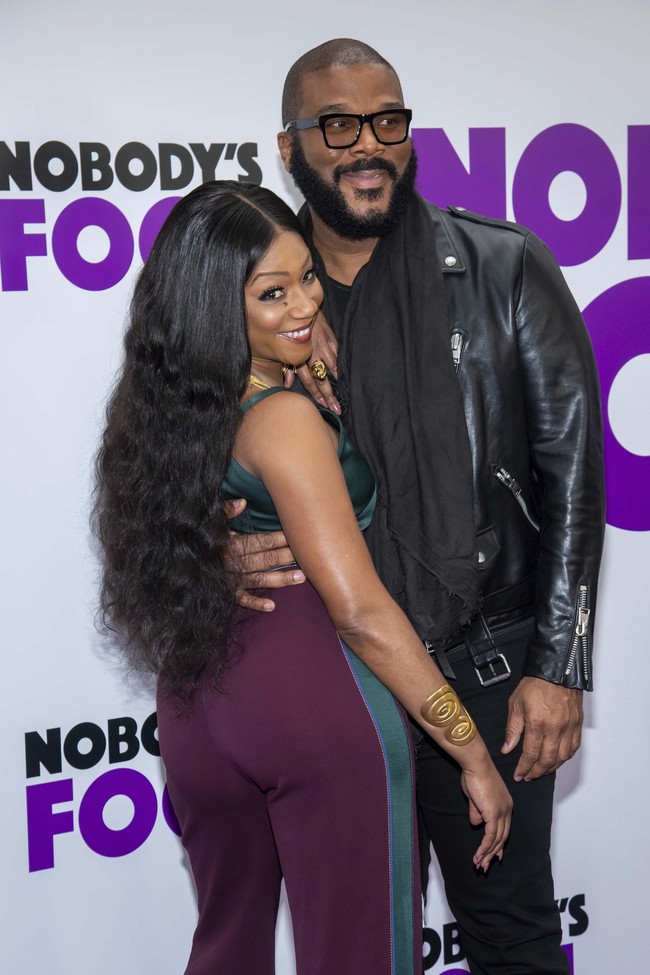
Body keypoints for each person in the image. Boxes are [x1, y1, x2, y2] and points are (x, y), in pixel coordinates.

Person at [229, 39, 606, 975]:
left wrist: (558, 663)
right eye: (340, 125)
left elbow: (572, 474)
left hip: (487, 666)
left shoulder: (503, 266)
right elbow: (193, 457)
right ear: (289, 147)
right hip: (338, 681)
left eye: (388, 120)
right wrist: (211, 548)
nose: (369, 145)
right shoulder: (266, 303)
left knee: (512, 940)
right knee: (357, 947)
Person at [93, 179, 512, 975]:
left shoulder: (170, 409)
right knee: (360, 958)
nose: (302, 305)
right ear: (219, 305)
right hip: (319, 704)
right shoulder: (283, 420)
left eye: (307, 278)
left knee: (226, 952)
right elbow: (360, 611)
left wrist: (302, 351)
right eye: (272, 292)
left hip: (199, 702)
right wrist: (470, 751)